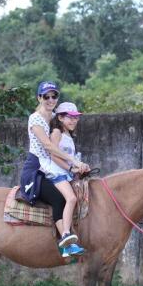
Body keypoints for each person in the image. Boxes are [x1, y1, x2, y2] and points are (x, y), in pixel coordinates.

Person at [19, 81, 86, 258]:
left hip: (50, 167)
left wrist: (75, 165)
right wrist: (73, 161)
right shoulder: (36, 118)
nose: (50, 100)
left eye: (53, 96)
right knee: (59, 199)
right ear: (39, 98)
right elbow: (48, 146)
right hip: (36, 169)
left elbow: (63, 134)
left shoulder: (55, 116)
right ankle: (65, 242)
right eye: (46, 96)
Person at [48, 101, 90, 253]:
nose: (73, 120)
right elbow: (53, 155)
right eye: (69, 117)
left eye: (76, 117)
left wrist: (80, 167)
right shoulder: (56, 133)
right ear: (60, 118)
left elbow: (69, 159)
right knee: (71, 199)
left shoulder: (69, 136)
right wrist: (71, 167)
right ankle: (65, 234)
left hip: (65, 173)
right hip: (56, 173)